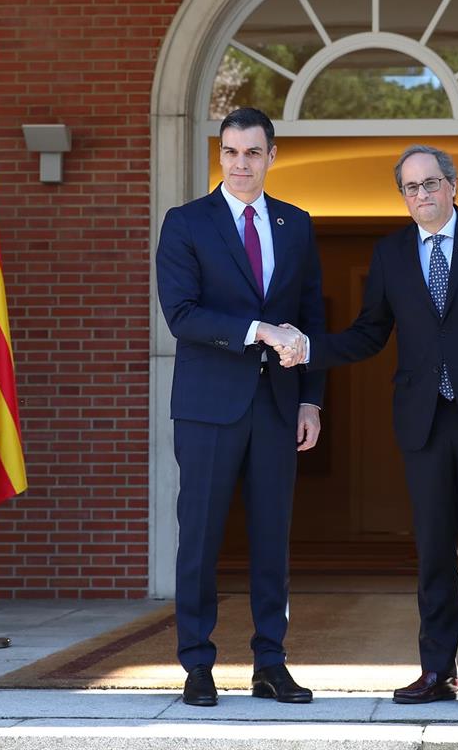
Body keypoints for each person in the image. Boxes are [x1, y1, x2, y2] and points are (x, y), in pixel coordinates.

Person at [279, 145, 458, 708]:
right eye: (410, 188)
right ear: (402, 195)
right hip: (423, 420)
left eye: (430, 184)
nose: (421, 195)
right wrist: (309, 349)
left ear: (452, 185)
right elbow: (369, 332)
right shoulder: (391, 253)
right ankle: (435, 671)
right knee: (431, 551)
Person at [156, 107, 323, 707]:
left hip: (278, 405)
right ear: (219, 155)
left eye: (253, 152)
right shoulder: (186, 223)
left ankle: (270, 663)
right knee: (199, 537)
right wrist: (259, 330)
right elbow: (182, 314)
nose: (241, 163)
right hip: (208, 407)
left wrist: (311, 399)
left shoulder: (296, 224)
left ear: (271, 156)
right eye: (231, 152)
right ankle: (197, 664)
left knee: (271, 539)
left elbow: (311, 317)